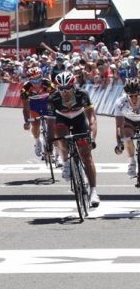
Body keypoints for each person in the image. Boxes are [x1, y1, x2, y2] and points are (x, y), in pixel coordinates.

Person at [46, 71, 99, 207]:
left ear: (73, 86)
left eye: (67, 88)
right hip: (62, 119)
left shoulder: (82, 94)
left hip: (79, 119)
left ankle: (93, 190)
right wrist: (49, 143)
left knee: (86, 155)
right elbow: (50, 123)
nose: (64, 91)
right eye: (61, 88)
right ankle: (66, 162)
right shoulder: (53, 98)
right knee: (61, 137)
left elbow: (92, 118)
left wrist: (92, 137)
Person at [20, 67, 57, 159]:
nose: (37, 82)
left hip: (47, 104)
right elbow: (25, 107)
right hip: (34, 106)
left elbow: (56, 99)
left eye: (38, 79)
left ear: (42, 77)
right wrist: (27, 121)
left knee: (53, 128)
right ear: (29, 80)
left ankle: (56, 151)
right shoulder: (25, 88)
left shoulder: (48, 84)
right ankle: (37, 141)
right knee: (35, 125)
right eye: (33, 80)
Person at [113, 78, 140, 177]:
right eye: (131, 96)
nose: (134, 98)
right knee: (127, 136)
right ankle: (132, 161)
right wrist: (119, 143)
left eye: (136, 95)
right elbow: (119, 126)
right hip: (129, 120)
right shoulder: (120, 102)